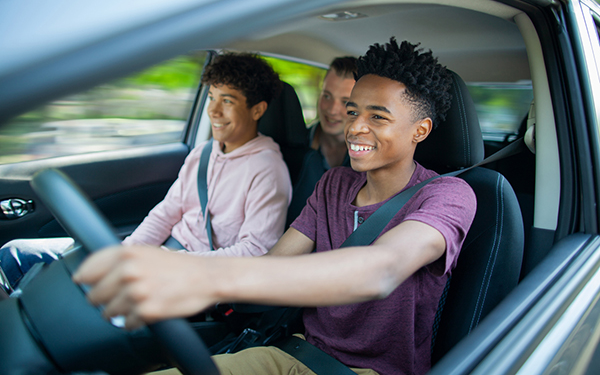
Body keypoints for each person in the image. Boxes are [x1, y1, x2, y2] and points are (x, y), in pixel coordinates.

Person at [74, 38, 477, 375]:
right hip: (294, 352)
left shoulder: (448, 196)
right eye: (353, 111)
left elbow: (381, 271)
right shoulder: (334, 183)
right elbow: (275, 262)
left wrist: (204, 275)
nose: (354, 126)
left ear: (420, 130)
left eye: (378, 117)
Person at [0, 52, 292, 289]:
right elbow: (167, 211)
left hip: (192, 277)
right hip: (162, 255)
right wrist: (129, 252)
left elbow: (257, 249)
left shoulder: (268, 170)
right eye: (212, 97)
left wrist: (176, 264)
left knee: (65, 295)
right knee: (15, 254)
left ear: (257, 110)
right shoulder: (204, 153)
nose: (213, 111)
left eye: (227, 101)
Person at [309, 56, 357, 169]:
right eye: (327, 96)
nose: (332, 110)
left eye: (345, 102)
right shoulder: (295, 146)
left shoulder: (369, 158)